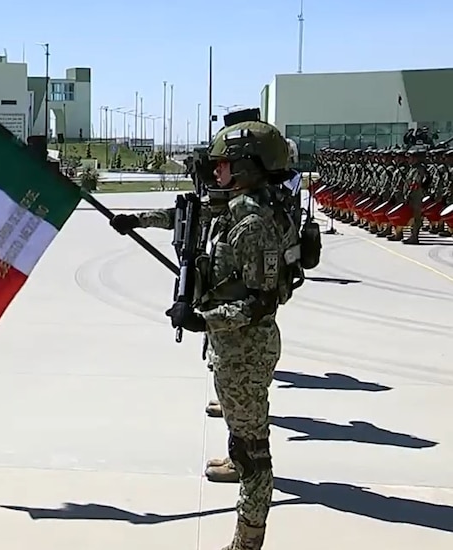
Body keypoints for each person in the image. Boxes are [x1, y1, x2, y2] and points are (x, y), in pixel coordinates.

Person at [110, 121, 297, 550]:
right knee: (238, 427)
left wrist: (203, 320)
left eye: (226, 163)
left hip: (247, 352)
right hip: (232, 350)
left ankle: (247, 541)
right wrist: (134, 220)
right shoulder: (234, 208)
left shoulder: (252, 224)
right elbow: (187, 216)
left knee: (255, 451)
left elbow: (260, 303)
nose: (217, 171)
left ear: (248, 167)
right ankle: (235, 466)